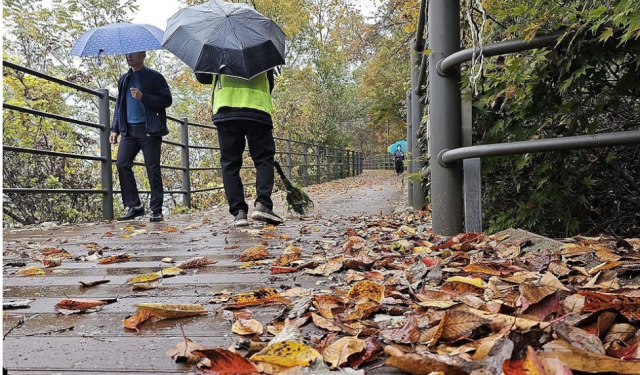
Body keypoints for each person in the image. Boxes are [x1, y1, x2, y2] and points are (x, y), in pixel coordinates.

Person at [204, 69, 283, 227]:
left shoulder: (216, 49)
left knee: (230, 164)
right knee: (263, 159)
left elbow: (202, 76)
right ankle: (263, 204)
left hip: (226, 109)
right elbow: (270, 83)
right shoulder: (262, 48)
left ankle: (239, 213)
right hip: (257, 109)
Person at [110, 51, 172, 222]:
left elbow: (166, 100)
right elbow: (119, 106)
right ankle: (135, 206)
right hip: (128, 131)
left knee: (152, 168)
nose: (129, 56)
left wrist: (143, 97)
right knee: (122, 163)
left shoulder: (154, 77)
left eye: (133, 54)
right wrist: (114, 128)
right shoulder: (124, 79)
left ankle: (156, 209)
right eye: (127, 54)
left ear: (143, 55)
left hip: (149, 129)